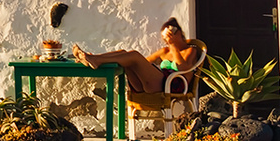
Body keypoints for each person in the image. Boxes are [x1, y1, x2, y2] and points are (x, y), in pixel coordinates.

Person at [72, 17, 201, 95]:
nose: (166, 41)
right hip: (152, 84)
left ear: (177, 33)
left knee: (133, 55)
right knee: (125, 55)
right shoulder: (164, 51)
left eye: (168, 37)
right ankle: (94, 58)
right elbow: (143, 63)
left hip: (172, 86)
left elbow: (183, 68)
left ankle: (96, 60)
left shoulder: (190, 50)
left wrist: (173, 45)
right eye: (165, 38)